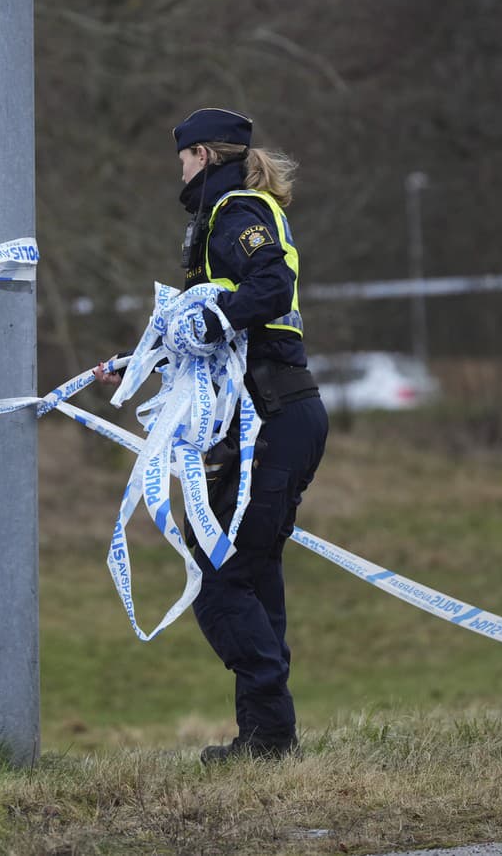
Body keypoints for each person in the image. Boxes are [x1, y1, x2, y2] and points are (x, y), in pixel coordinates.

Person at [95, 108, 329, 763]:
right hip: (275, 419)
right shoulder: (232, 210)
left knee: (219, 578)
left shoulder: (233, 213)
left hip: (275, 419)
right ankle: (268, 739)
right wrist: (144, 356)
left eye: (182, 159)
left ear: (201, 154)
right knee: (251, 576)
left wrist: (214, 317)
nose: (179, 171)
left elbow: (269, 289)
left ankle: (271, 736)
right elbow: (219, 326)